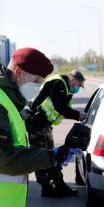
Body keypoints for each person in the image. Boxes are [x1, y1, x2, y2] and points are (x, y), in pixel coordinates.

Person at [0, 47, 76, 207]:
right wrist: (51, 157)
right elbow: (2, 159)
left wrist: (50, 154)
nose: (38, 87)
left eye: (41, 82)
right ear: (18, 72)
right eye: (36, 80)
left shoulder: (6, 98)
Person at [25, 69, 87, 198]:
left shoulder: (64, 87)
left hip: (44, 123)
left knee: (52, 154)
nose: (78, 88)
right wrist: (78, 115)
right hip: (35, 123)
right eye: (78, 85)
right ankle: (46, 187)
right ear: (72, 79)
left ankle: (59, 183)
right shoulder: (58, 84)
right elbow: (60, 107)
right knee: (40, 155)